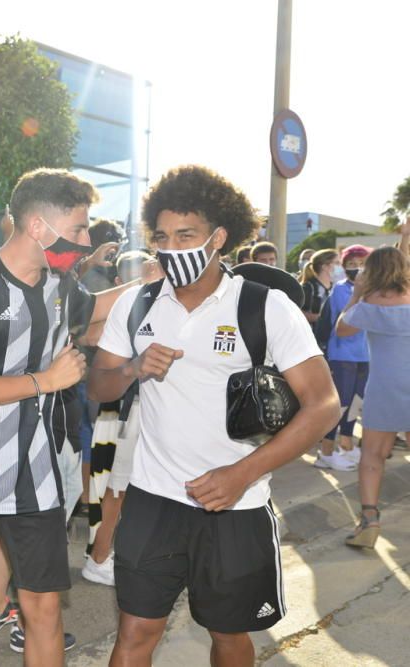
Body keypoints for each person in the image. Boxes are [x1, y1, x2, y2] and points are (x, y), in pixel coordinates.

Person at [88, 165, 340, 667]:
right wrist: (135, 368)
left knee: (227, 636)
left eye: (187, 234)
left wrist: (242, 474)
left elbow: (324, 405)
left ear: (219, 236)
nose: (172, 246)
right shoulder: (135, 305)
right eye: (162, 236)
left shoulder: (265, 307)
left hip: (236, 505)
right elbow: (99, 384)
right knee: (135, 631)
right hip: (152, 499)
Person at [0, 168, 151, 666]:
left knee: (44, 609)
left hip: (32, 472)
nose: (86, 241)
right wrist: (47, 380)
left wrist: (149, 283)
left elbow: (98, 312)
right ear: (39, 227)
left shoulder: (61, 287)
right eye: (80, 228)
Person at [82, 249, 153, 588]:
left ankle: (109, 552)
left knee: (129, 490)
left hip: (143, 411)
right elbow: (89, 336)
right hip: (121, 414)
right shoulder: (122, 310)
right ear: (119, 282)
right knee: (114, 489)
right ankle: (98, 557)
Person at [335, 246, 410, 548]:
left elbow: (341, 329)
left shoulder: (369, 304)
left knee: (372, 456)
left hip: (384, 387)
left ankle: (369, 521)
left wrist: (356, 296)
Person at [315, 244, 371, 472]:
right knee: (341, 403)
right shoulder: (341, 289)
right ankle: (326, 451)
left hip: (365, 355)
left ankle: (346, 444)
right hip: (342, 354)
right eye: (351, 264)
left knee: (356, 403)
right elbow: (345, 319)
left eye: (361, 264)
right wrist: (359, 294)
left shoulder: (375, 290)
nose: (357, 269)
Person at [298, 249, 340, 325]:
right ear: (324, 267)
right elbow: (297, 313)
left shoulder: (335, 287)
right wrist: (324, 317)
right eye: (337, 263)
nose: (340, 266)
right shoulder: (308, 287)